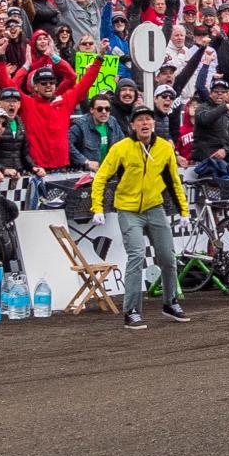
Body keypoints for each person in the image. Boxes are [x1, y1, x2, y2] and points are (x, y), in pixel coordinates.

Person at [91, 106, 191, 330]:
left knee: (168, 257)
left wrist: (184, 211)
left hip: (155, 207)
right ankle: (132, 311)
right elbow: (101, 178)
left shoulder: (164, 148)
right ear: (132, 125)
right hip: (128, 209)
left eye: (148, 119)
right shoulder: (121, 148)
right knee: (136, 255)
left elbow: (173, 181)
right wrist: (97, 207)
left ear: (153, 124)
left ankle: (170, 302)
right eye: (140, 120)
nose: (145, 123)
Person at [69, 94, 127, 171]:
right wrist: (86, 162)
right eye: (100, 109)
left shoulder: (113, 122)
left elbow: (123, 143)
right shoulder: (81, 125)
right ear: (92, 110)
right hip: (86, 174)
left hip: (109, 172)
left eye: (107, 109)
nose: (104, 112)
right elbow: (66, 143)